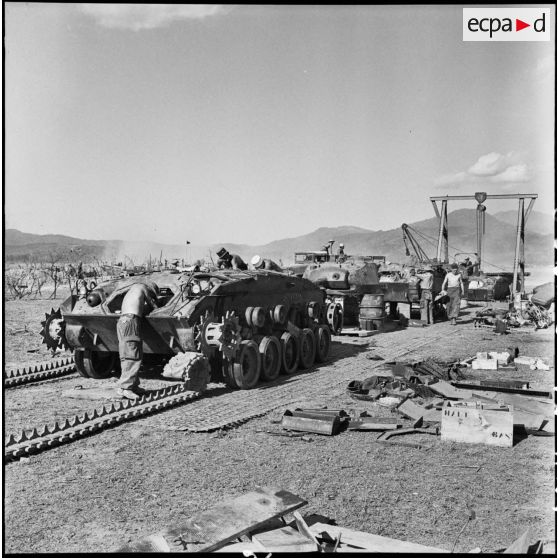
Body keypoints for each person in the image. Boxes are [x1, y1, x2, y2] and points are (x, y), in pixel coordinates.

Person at [116, 281, 159, 399]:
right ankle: (126, 388)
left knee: (128, 353)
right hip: (131, 321)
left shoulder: (133, 289)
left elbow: (137, 307)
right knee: (132, 355)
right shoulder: (143, 287)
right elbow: (153, 306)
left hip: (123, 321)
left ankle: (133, 385)